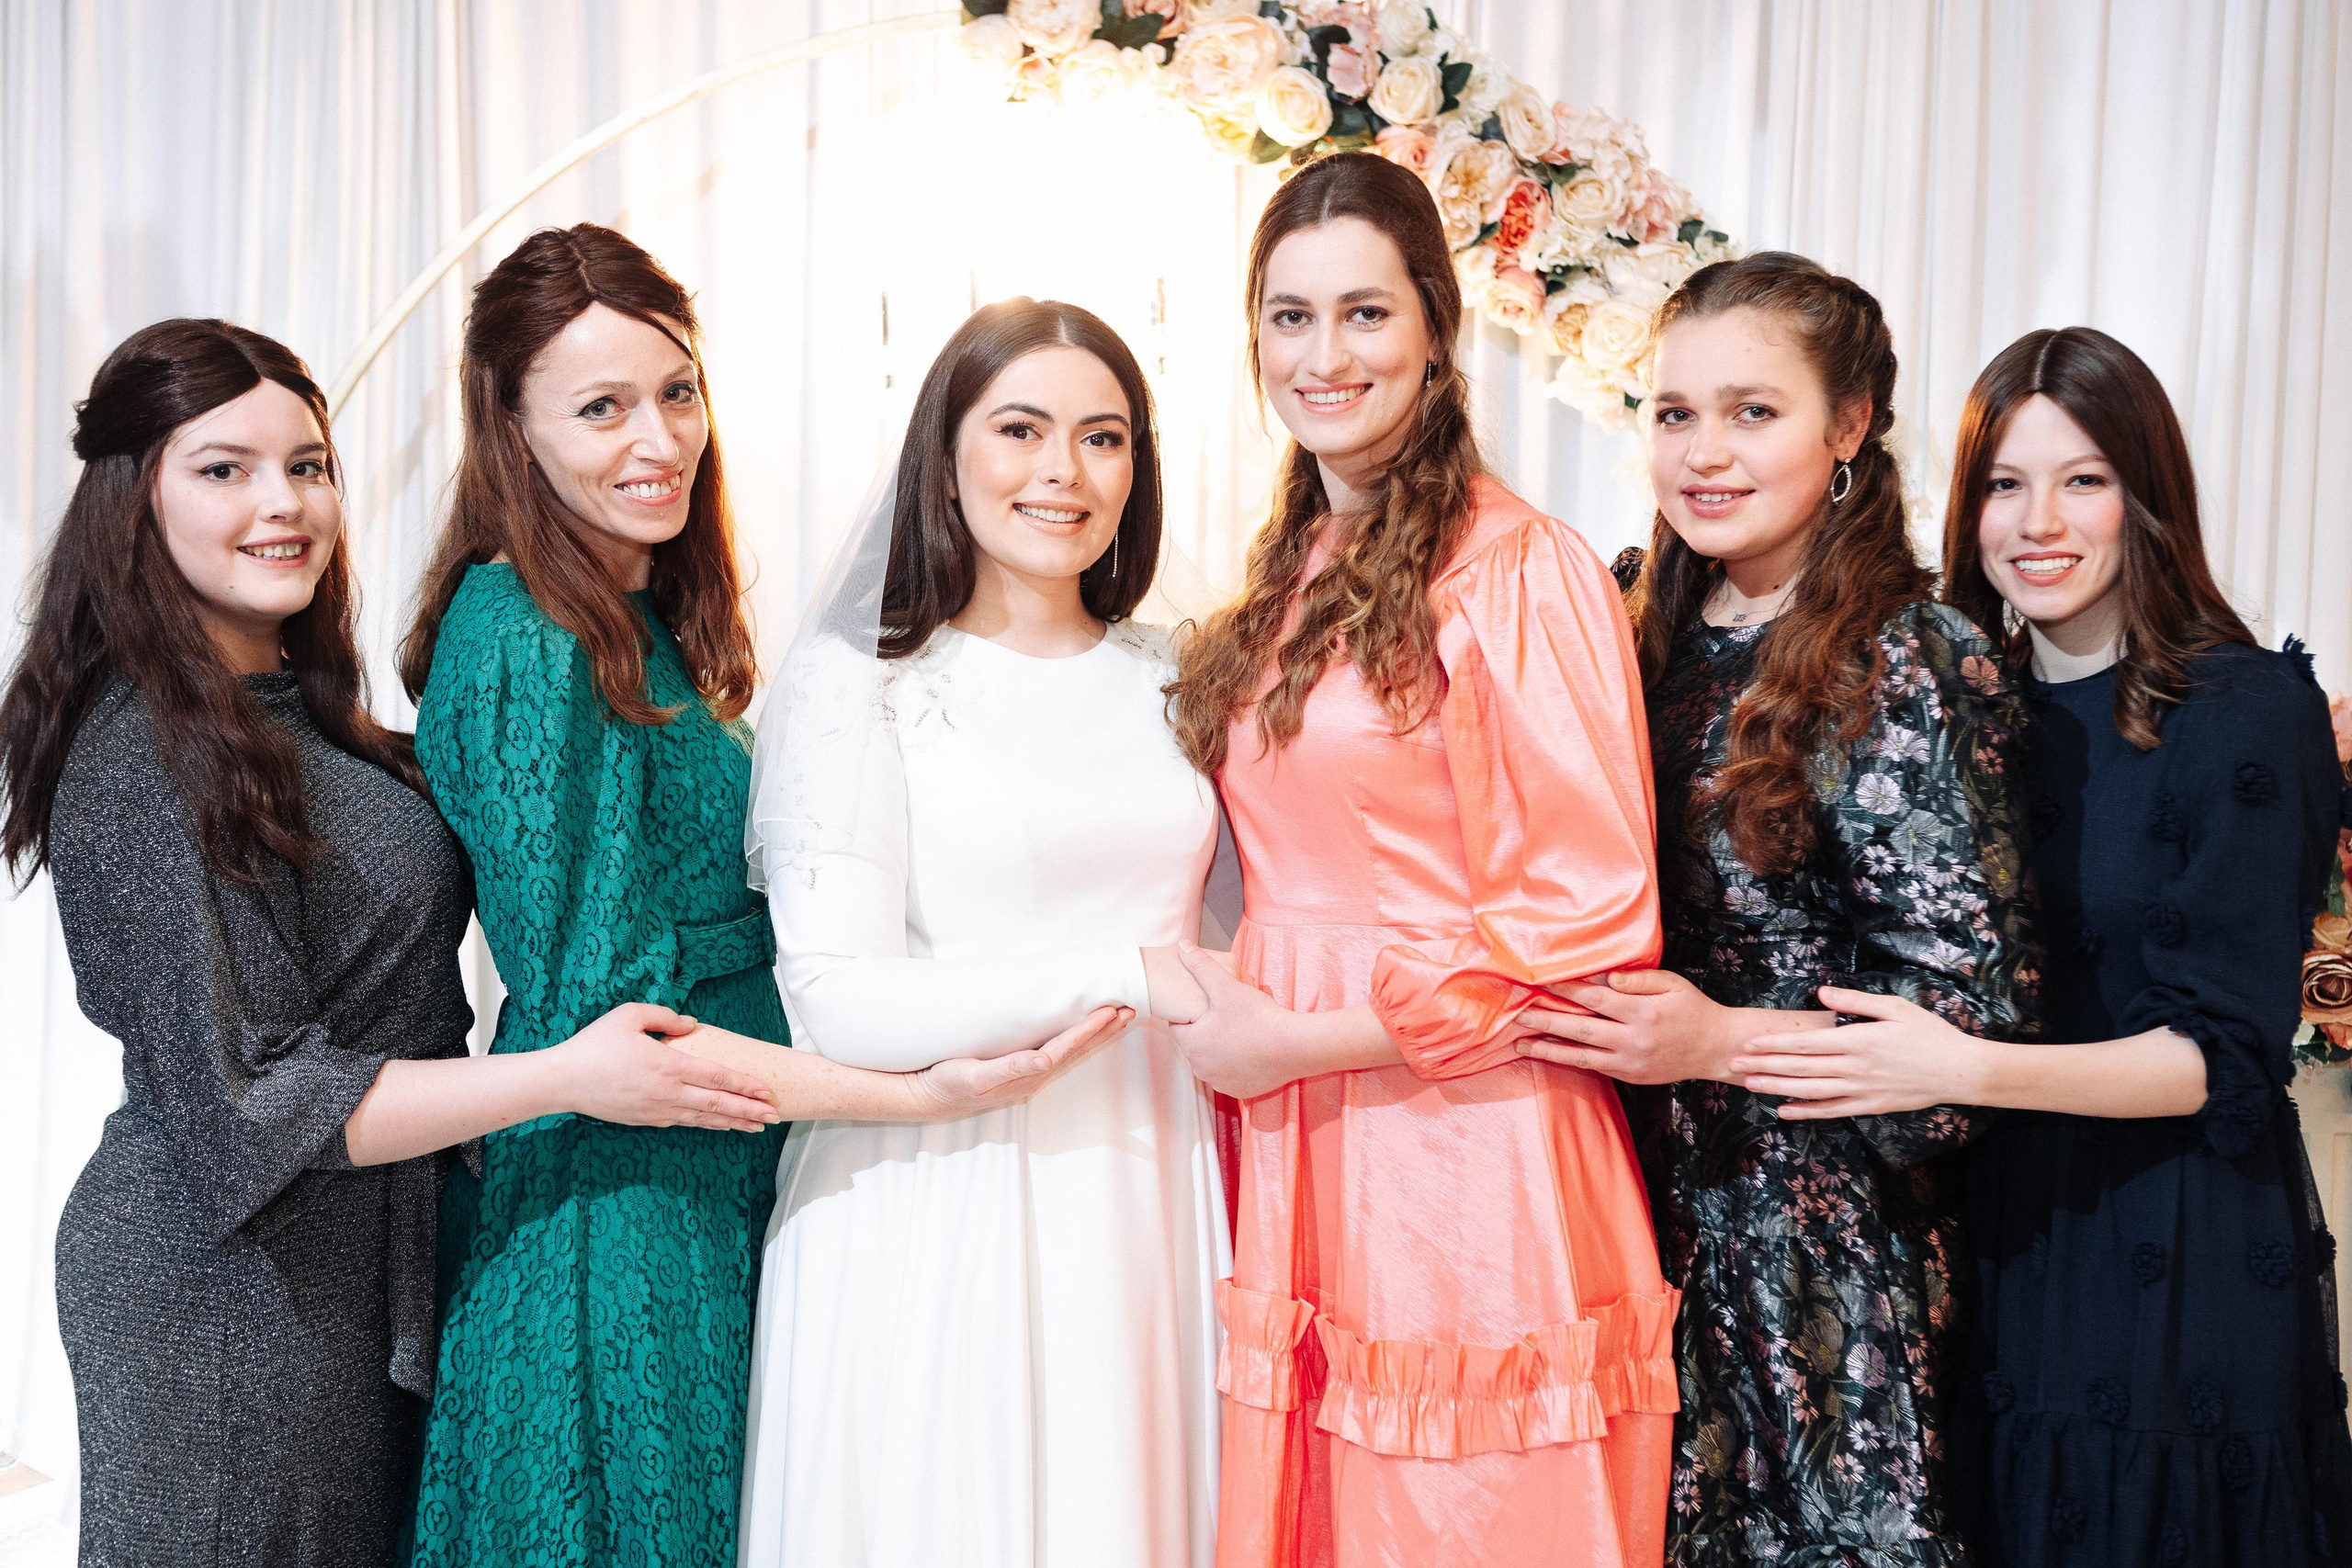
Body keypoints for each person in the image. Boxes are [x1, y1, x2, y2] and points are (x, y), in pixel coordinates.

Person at [0, 318, 783, 1566]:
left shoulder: (291, 713)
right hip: (224, 1290)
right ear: (130, 500)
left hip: (359, 1261)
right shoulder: (142, 755)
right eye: (225, 469)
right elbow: (252, 1102)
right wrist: (570, 1075)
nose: (284, 503)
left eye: (309, 466)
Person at [397, 228, 1125, 1564]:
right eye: (601, 408)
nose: (655, 439)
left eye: (675, 393)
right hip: (610, 1231)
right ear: (511, 429)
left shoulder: (636, 617)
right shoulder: (522, 633)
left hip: (707, 1189)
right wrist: (921, 1098)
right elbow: (621, 1039)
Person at [1732, 325, 2352, 1565]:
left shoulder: (2247, 712)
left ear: (2147, 497)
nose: (2038, 522)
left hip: (2181, 1247)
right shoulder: (1956, 702)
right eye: (2006, 485)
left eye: (2083, 480)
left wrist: (1962, 1069)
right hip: (1999, 1237)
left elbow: (2222, 1057)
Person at [1161, 150, 1676, 1568]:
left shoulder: (1517, 570)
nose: (1323, 355)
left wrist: (1296, 1042)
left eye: (1365, 314)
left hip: (1460, 1144)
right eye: (1289, 315)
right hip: (1304, 1128)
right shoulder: (1291, 564)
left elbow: (1586, 916)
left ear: (1438, 327)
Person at [1554, 252, 2039, 1564]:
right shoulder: (1629, 624)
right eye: (1674, 414)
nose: (1704, 452)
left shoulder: (1909, 655)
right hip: (1622, 1211)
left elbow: (1965, 1041)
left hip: (1819, 1265)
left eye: (1752, 412)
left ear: (1850, 427)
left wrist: (1715, 1042)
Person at [739, 297, 1228, 1568]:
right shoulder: (863, 682)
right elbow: (835, 1002)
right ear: (946, 457)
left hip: (1145, 1181)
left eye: (1104, 437)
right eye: (1020, 429)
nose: (1063, 471)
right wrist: (1127, 972)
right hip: (932, 1186)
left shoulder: (1181, 672)